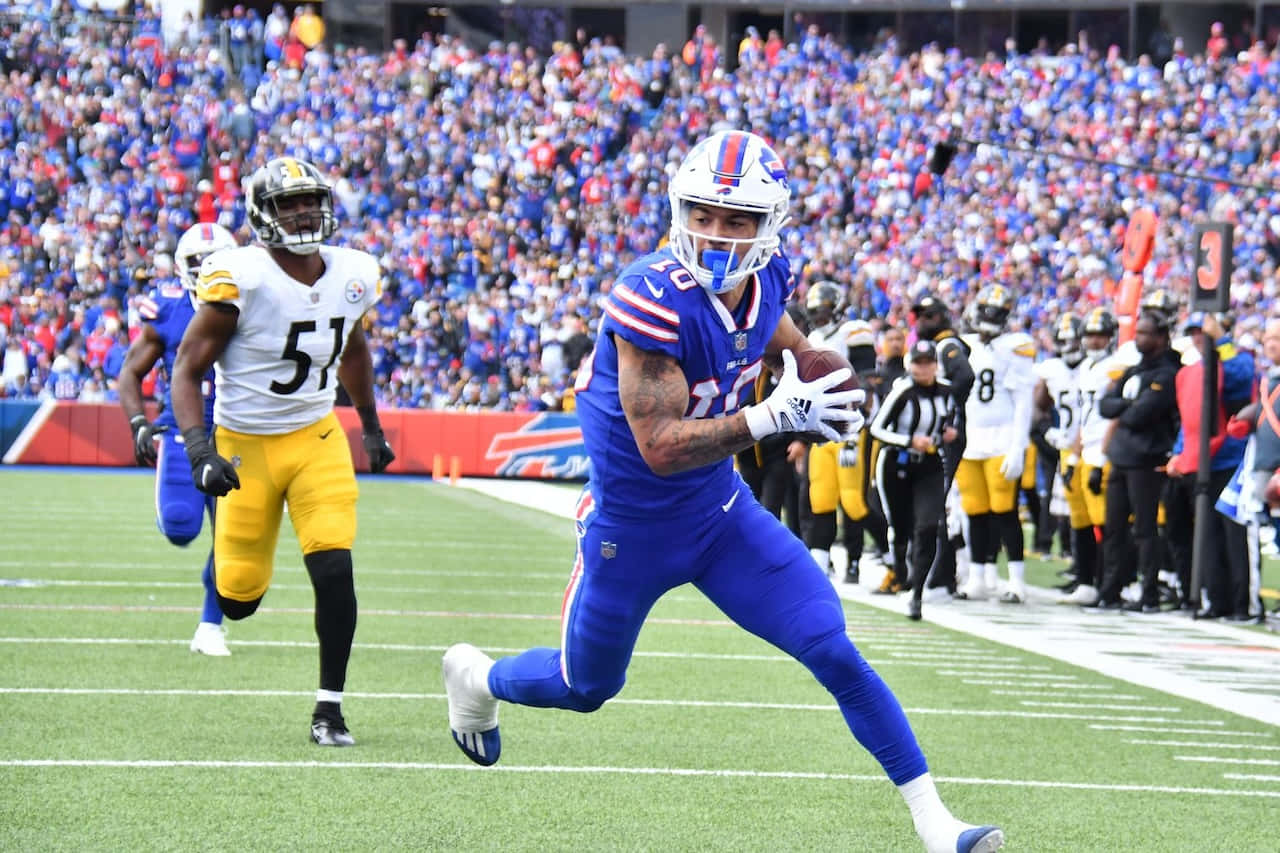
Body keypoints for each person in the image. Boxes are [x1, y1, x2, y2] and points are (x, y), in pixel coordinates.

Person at [441, 131, 1003, 853]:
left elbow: (776, 329)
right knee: (587, 686)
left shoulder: (768, 280)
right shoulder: (652, 297)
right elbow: (661, 446)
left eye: (737, 220)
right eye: (704, 213)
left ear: (767, 227)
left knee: (831, 646)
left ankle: (937, 824)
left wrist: (812, 366)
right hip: (631, 532)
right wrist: (775, 414)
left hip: (721, 516)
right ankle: (478, 677)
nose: (715, 232)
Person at [170, 157, 396, 747]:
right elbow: (188, 368)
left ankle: (331, 709)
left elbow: (352, 349)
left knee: (334, 566)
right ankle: (232, 594)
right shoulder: (239, 276)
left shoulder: (353, 272)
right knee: (238, 598)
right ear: (260, 215)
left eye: (309, 200)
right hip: (244, 446)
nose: (301, 212)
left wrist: (369, 426)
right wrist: (200, 452)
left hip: (316, 437)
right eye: (286, 203)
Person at [118, 222, 238, 657]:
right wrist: (137, 422)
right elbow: (130, 372)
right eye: (198, 263)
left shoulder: (254, 305)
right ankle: (171, 515)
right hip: (182, 433)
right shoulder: (167, 309)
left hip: (236, 435)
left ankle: (210, 624)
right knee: (180, 527)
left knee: (230, 539)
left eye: (214, 261)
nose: (206, 269)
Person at [1092, 312, 1180, 612]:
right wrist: (1127, 406)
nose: (1138, 338)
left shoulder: (1167, 373)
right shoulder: (1133, 371)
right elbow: (1104, 406)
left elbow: (1141, 414)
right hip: (1121, 456)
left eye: (1145, 333)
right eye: (1137, 332)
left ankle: (1149, 594)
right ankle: (1110, 590)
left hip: (1147, 458)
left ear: (1160, 337)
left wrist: (1124, 408)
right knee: (1114, 528)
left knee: (1144, 529)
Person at [955, 285, 1037, 603]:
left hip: (1001, 438)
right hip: (970, 438)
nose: (990, 318)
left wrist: (1018, 445)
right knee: (974, 510)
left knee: (1005, 511)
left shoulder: (1015, 346)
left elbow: (1023, 401)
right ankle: (977, 577)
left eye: (997, 313)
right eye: (987, 311)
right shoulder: (964, 344)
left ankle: (1017, 580)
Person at [870, 339, 959, 620]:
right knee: (900, 526)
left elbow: (950, 421)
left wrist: (948, 434)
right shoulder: (903, 392)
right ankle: (901, 569)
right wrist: (909, 440)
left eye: (928, 362)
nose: (923, 368)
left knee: (928, 525)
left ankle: (917, 592)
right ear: (910, 364)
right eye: (918, 363)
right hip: (897, 463)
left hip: (929, 465)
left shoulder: (946, 391)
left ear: (936, 364)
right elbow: (877, 428)